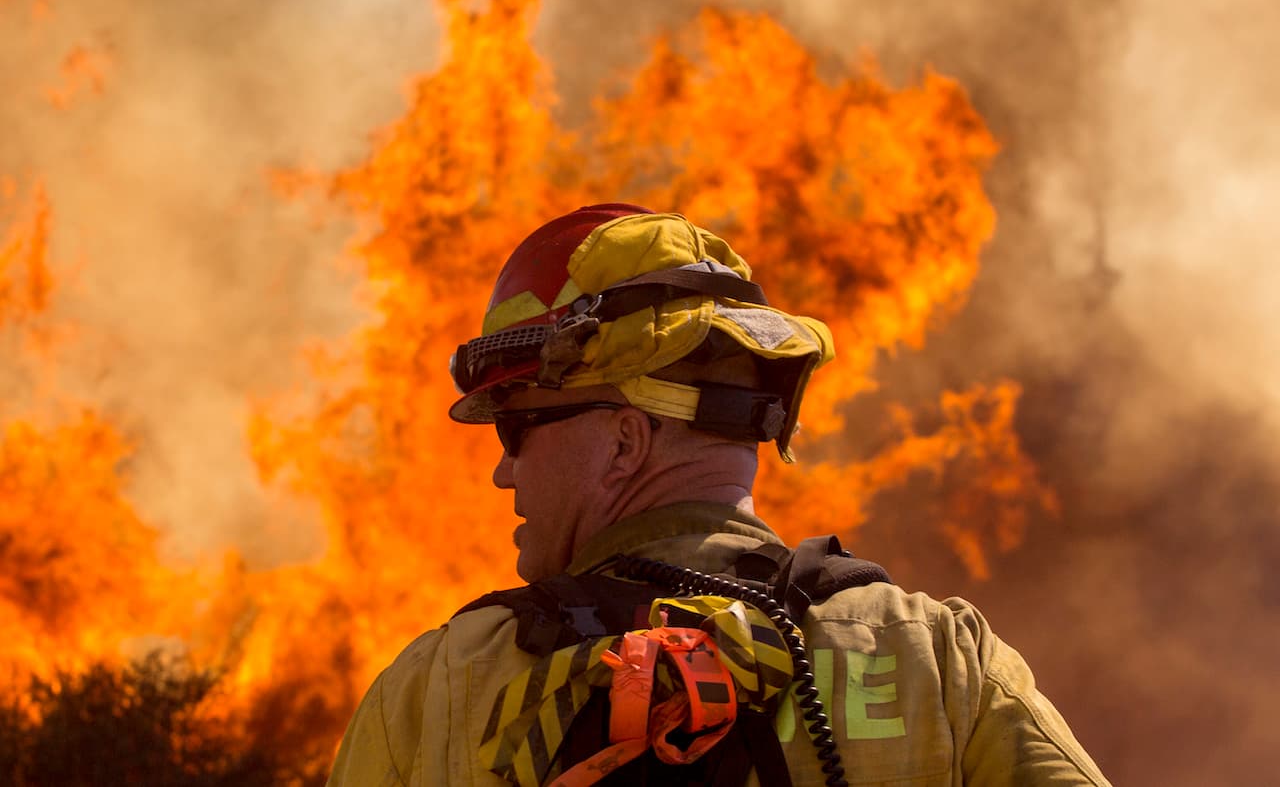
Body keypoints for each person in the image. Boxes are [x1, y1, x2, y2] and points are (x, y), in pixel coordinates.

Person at [327, 204, 1110, 786]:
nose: (505, 472)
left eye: (516, 430)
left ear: (624, 442)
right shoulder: (937, 660)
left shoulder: (439, 690)